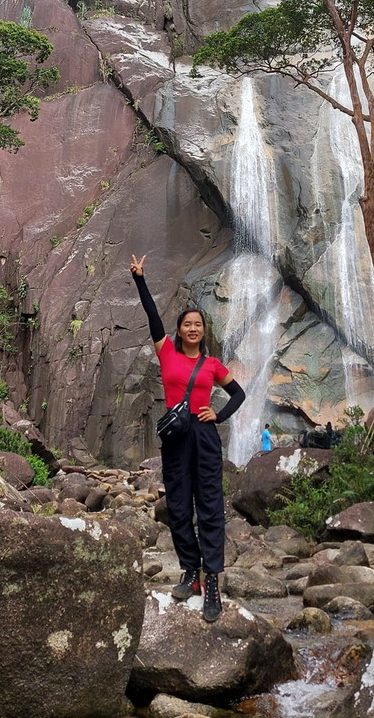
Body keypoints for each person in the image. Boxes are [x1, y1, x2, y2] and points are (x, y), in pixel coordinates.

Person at [131, 253, 245, 622]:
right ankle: (189, 573)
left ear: (202, 331)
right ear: (179, 331)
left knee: (209, 508)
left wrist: (220, 413)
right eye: (187, 325)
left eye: (198, 325)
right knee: (179, 507)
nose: (193, 329)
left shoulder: (212, 365)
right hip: (176, 437)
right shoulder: (165, 352)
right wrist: (140, 280)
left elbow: (239, 394)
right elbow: (151, 318)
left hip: (205, 436)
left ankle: (211, 582)